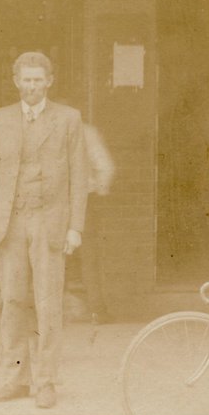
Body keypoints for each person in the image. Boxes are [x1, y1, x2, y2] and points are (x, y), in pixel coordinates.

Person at [0, 51, 88, 409]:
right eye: (26, 80)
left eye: (38, 80)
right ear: (16, 82)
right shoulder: (0, 119)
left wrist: (75, 227)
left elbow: (79, 176)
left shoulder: (68, 119)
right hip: (10, 223)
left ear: (49, 82)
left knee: (47, 303)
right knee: (12, 300)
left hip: (49, 222)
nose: (32, 86)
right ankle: (16, 378)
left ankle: (45, 381)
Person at [79, 122, 116, 324]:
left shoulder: (43, 127)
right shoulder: (86, 131)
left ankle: (51, 312)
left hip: (51, 201)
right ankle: (97, 311)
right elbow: (106, 167)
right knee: (89, 256)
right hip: (83, 200)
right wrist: (99, 191)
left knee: (52, 255)